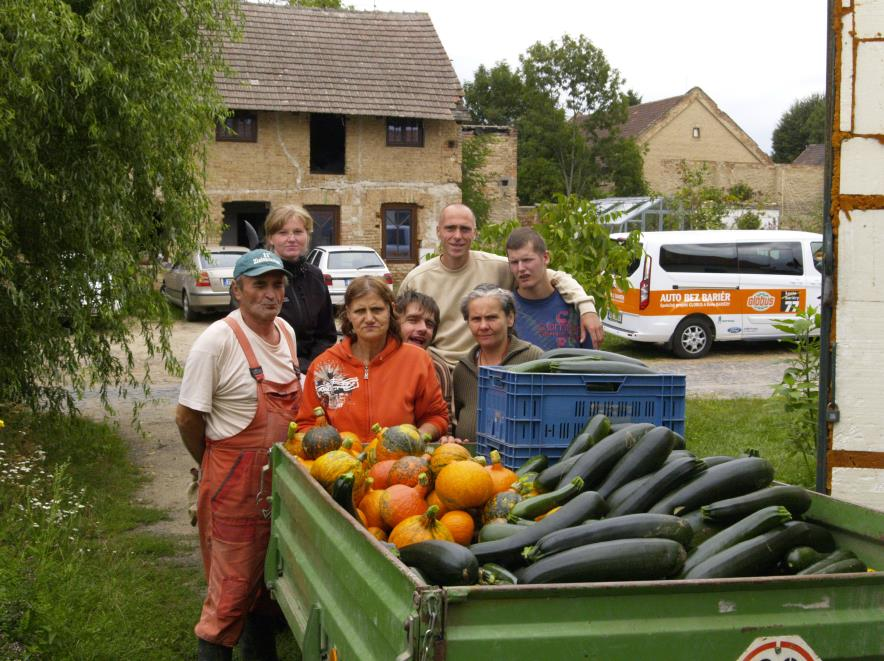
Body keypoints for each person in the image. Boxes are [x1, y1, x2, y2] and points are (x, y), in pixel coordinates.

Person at [176, 249, 301, 661]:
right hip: (233, 484)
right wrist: (214, 463)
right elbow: (187, 417)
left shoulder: (286, 331)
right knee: (229, 595)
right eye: (259, 285)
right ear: (237, 291)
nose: (270, 294)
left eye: (277, 284)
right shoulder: (216, 341)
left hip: (279, 483)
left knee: (266, 588)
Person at [399, 203, 603, 366]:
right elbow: (397, 326)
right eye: (450, 228)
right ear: (438, 232)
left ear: (475, 233)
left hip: (482, 366)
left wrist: (586, 308)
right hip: (437, 368)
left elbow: (553, 276)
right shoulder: (418, 279)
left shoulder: (499, 267)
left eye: (465, 229)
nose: (458, 236)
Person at [297, 276, 448, 440]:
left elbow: (435, 417)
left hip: (400, 462)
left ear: (391, 309)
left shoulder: (417, 360)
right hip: (341, 460)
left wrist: (413, 439)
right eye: (360, 311)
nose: (369, 319)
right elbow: (306, 424)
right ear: (348, 314)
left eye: (377, 310)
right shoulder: (324, 366)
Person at [232, 204, 336, 373]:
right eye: (283, 232)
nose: (291, 238)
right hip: (269, 369)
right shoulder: (256, 277)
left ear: (307, 236)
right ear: (271, 238)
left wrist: (310, 365)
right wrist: (293, 364)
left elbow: (327, 334)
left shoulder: (315, 276)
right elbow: (246, 332)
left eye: (298, 232)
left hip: (312, 371)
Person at [445, 284, 543, 444]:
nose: (483, 326)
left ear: (510, 318)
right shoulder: (462, 370)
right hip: (471, 465)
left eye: (491, 318)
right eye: (476, 319)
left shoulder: (533, 358)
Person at [506, 226, 594, 351]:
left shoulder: (576, 306)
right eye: (514, 262)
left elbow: (591, 363)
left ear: (546, 258)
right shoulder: (505, 311)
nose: (520, 268)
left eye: (527, 260)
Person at [395, 289, 454, 431]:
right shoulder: (378, 360)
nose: (423, 328)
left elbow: (444, 424)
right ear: (395, 323)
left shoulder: (437, 368)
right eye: (413, 320)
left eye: (429, 324)